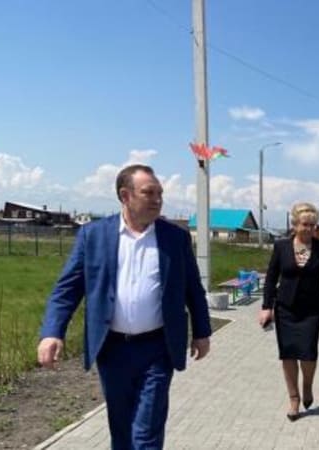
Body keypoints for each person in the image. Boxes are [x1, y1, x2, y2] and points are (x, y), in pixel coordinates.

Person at [37, 164, 212, 450]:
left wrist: (202, 332)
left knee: (146, 434)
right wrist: (52, 333)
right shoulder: (94, 235)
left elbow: (193, 288)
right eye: (148, 193)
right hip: (112, 349)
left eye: (160, 193)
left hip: (158, 348)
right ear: (125, 195)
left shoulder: (175, 238)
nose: (157, 199)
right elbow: (66, 290)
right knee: (121, 429)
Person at [258, 202, 319, 421]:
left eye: (313, 225)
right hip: (285, 308)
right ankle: (294, 398)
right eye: (305, 224)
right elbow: (271, 279)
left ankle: (307, 386)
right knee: (288, 353)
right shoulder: (281, 246)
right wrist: (266, 307)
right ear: (295, 225)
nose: (309, 229)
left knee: (308, 352)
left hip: (312, 310)